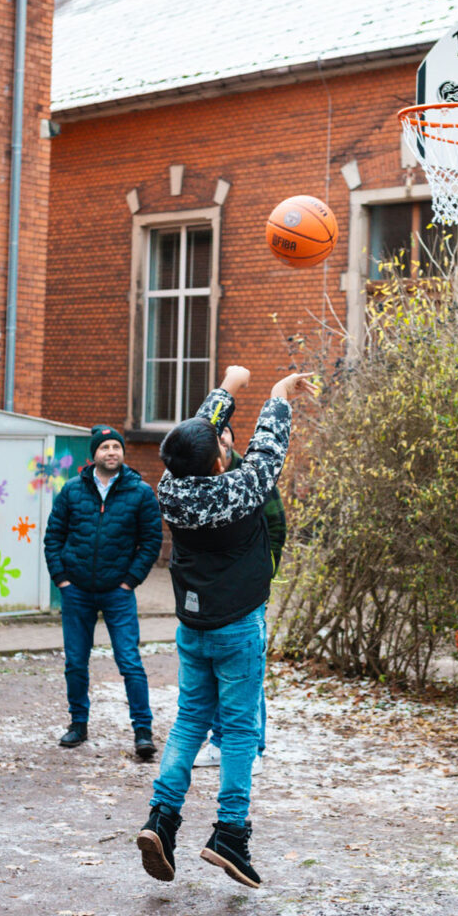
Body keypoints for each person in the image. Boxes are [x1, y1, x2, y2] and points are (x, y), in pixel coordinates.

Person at [137, 365, 314, 889]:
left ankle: (161, 820)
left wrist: (229, 387)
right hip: (238, 624)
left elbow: (195, 436)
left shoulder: (170, 485)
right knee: (239, 729)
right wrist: (279, 392)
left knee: (190, 720)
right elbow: (269, 444)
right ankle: (230, 834)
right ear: (220, 459)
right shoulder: (242, 489)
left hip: (193, 625)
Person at [43, 425, 163, 758]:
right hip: (77, 590)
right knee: (76, 663)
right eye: (105, 447)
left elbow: (151, 542)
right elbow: (53, 537)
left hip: (118, 593)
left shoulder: (140, 492)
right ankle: (77, 725)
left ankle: (143, 732)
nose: (112, 452)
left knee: (130, 662)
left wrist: (130, 581)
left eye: (116, 447)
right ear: (94, 454)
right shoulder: (71, 491)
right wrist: (62, 580)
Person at [193, 422, 286, 775]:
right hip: (212, 596)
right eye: (214, 439)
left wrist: (264, 573)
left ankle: (253, 746)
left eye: (224, 436)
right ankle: (219, 742)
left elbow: (277, 528)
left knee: (247, 670)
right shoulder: (197, 479)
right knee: (216, 671)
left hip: (247, 593)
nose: (221, 443)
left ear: (232, 440)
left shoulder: (253, 478)